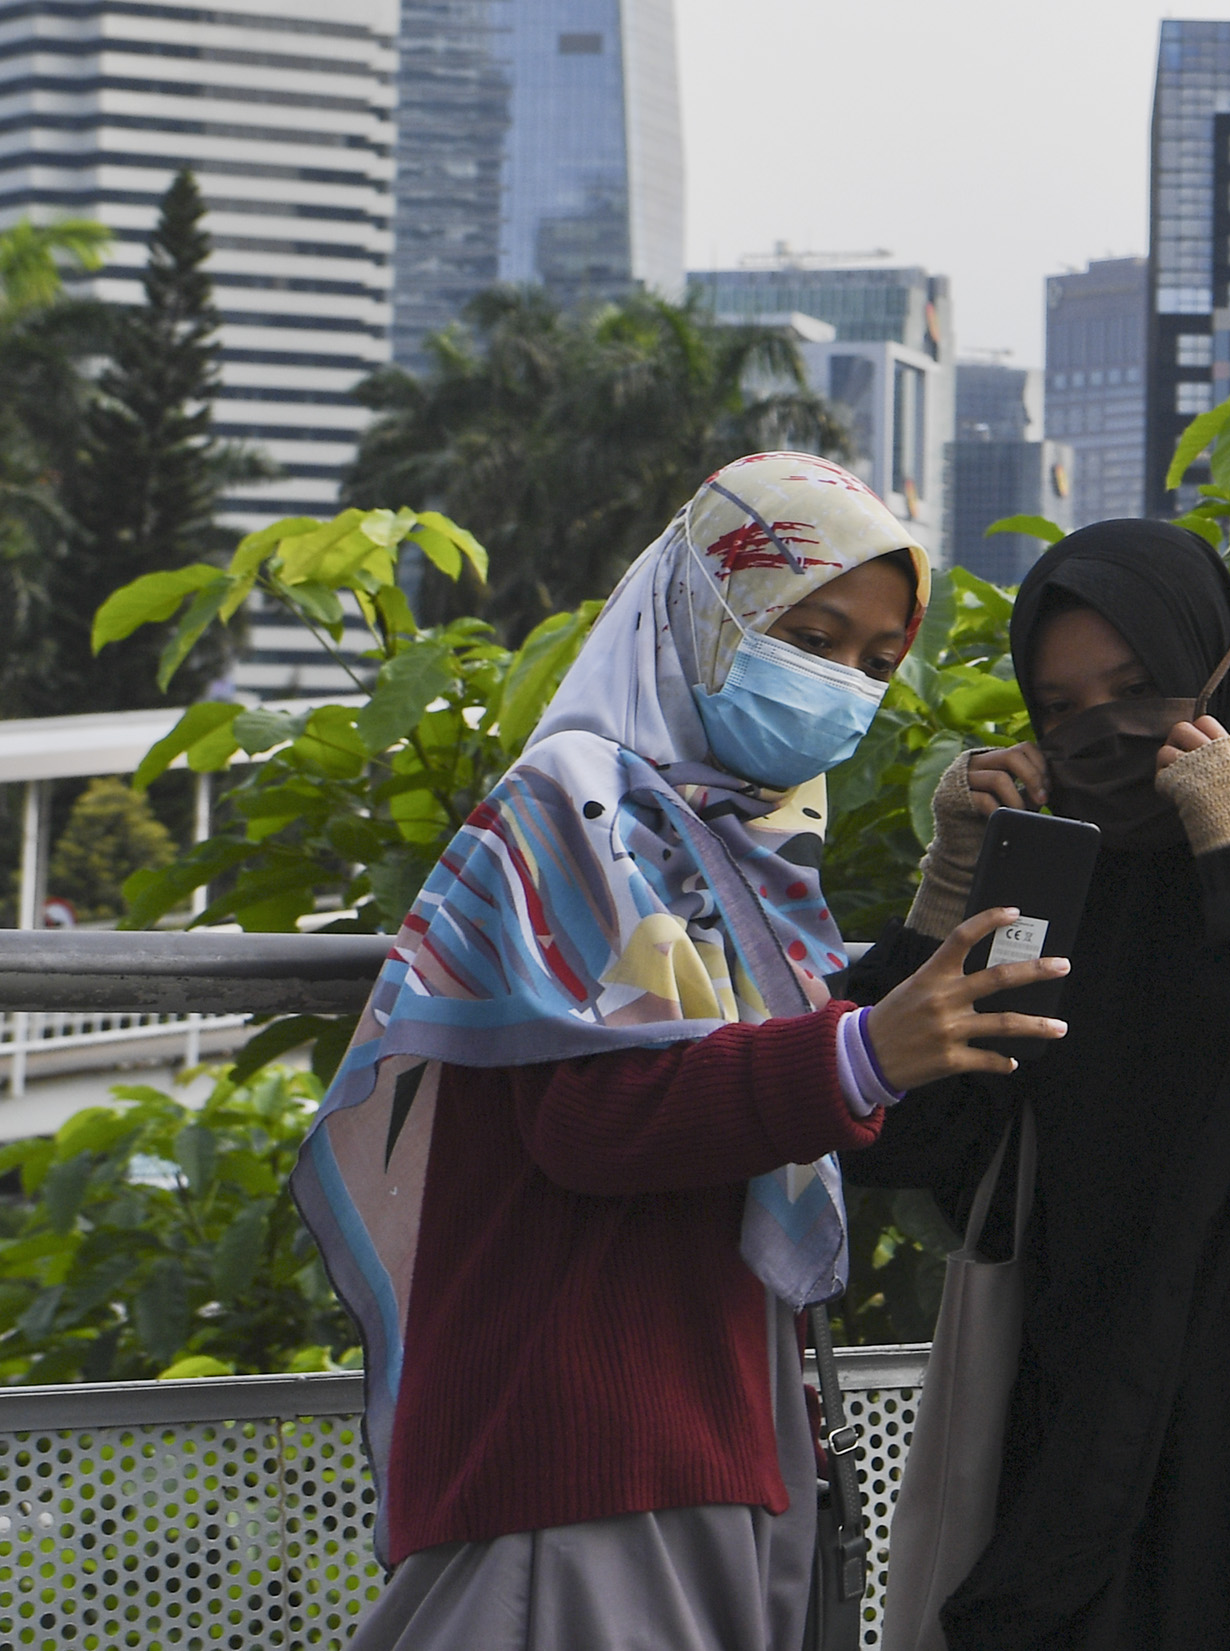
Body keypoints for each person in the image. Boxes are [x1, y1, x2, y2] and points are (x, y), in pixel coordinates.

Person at [299, 453, 1068, 1651]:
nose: (841, 687)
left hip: (699, 1420)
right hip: (583, 1432)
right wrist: (860, 1054)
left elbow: (774, 1079)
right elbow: (593, 1118)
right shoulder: (579, 804)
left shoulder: (734, 845)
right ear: (705, 606)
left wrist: (943, 903)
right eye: (808, 634)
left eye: (873, 660)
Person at [836, 517, 1230, 1651]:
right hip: (1094, 1413)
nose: (1109, 732)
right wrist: (950, 899)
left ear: (1219, 668)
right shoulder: (1053, 878)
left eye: (1140, 688)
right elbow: (911, 1135)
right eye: (1065, 712)